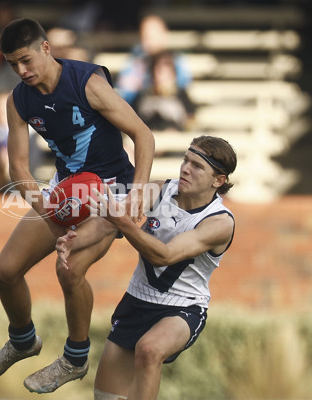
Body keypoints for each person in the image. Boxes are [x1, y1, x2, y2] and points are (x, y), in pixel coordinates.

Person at [0, 18, 155, 393]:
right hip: (67, 191)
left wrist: (137, 196)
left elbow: (143, 135)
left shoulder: (87, 83)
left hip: (110, 191)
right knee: (3, 272)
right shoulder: (18, 100)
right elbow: (19, 168)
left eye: (25, 60)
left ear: (45, 48)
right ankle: (23, 340)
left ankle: (75, 358)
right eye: (11, 64)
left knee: (69, 268)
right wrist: (51, 215)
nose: (20, 71)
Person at [56, 135, 237, 400]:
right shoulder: (158, 190)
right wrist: (73, 240)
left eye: (197, 166)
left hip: (183, 308)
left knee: (149, 350)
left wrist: (122, 221)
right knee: (105, 396)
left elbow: (163, 256)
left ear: (218, 180)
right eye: (186, 160)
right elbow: (109, 221)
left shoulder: (219, 222)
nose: (185, 168)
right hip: (136, 301)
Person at [115, 14, 192, 107]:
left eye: (154, 36)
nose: (150, 42)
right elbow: (125, 94)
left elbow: (183, 89)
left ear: (164, 35)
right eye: (146, 37)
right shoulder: (136, 62)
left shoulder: (177, 60)